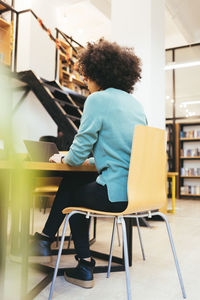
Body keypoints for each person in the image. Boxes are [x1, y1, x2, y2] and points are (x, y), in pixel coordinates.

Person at [31, 39, 147, 289]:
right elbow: (121, 154)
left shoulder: (97, 100)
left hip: (114, 194)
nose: (85, 81)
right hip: (137, 193)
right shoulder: (136, 106)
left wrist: (65, 157)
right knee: (77, 182)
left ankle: (73, 257)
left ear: (96, 73)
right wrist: (84, 159)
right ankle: (46, 242)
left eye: (85, 75)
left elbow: (74, 157)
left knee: (72, 191)